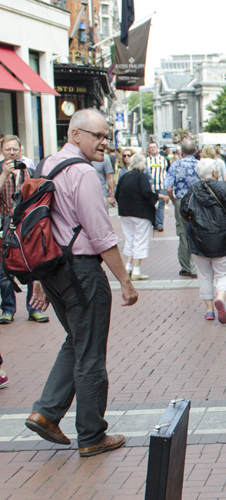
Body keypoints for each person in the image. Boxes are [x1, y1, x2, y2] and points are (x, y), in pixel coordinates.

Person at [24, 109, 139, 458]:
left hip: (53, 267)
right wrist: (125, 280)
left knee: (75, 340)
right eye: (98, 135)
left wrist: (39, 280)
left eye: (107, 135)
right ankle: (91, 435)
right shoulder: (83, 173)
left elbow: (39, 223)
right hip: (81, 270)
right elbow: (100, 233)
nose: (105, 142)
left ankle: (46, 412)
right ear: (76, 135)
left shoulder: (46, 165)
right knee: (90, 353)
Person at [180, 158, 226, 323]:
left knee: (204, 275)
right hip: (223, 237)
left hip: (198, 238)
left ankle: (209, 310)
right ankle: (220, 297)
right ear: (214, 172)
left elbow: (184, 211)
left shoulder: (192, 190)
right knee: (224, 272)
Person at [0, 135, 48, 323]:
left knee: (31, 264)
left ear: (21, 150)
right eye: (7, 150)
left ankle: (34, 308)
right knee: (4, 269)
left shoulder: (30, 170)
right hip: (4, 223)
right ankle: (7, 309)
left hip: (26, 224)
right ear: (2, 151)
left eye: (14, 149)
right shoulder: (1, 170)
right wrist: (4, 174)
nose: (11, 153)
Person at [114, 152, 157, 281]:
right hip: (141, 212)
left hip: (125, 212)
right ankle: (136, 270)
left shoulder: (124, 176)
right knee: (140, 240)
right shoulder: (142, 176)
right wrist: (157, 198)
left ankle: (128, 267)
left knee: (129, 239)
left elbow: (117, 194)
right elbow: (146, 192)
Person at [164, 139, 201, 277]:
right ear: (195, 151)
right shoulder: (200, 164)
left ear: (182, 151)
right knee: (197, 231)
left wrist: (173, 199)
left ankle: (185, 266)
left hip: (181, 200)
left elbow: (168, 188)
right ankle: (195, 267)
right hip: (197, 200)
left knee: (183, 232)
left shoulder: (175, 165)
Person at [145, 142, 169, 232]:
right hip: (150, 186)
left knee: (161, 206)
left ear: (158, 148)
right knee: (151, 205)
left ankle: (159, 224)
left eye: (154, 147)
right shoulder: (146, 160)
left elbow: (167, 172)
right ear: (148, 149)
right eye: (150, 147)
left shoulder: (164, 159)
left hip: (161, 186)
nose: (153, 149)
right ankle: (153, 222)